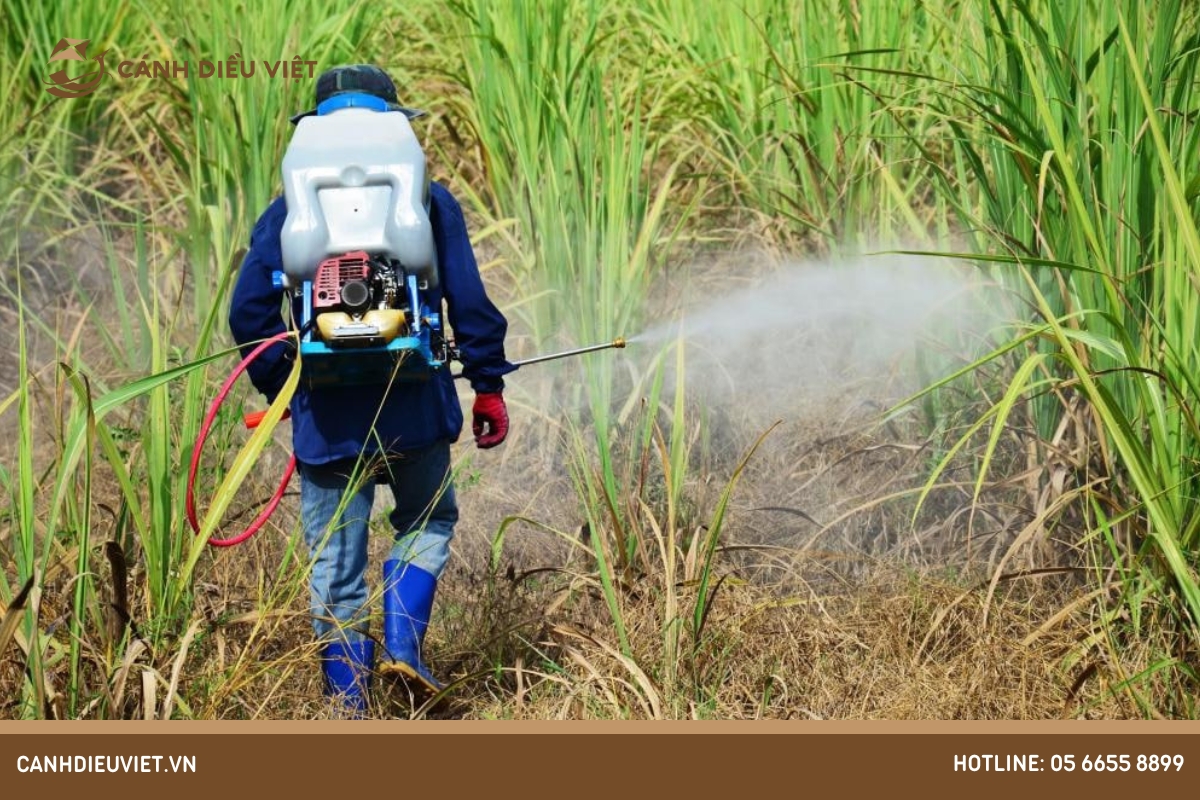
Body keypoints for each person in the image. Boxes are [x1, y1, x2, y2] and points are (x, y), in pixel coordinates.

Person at [229, 65, 514, 714]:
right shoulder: (428, 202)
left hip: (327, 428)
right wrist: (488, 387)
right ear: (394, 126)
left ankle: (348, 710)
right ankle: (405, 653)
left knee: (336, 566)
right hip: (416, 414)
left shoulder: (289, 211)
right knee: (428, 520)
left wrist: (287, 387)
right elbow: (470, 305)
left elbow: (248, 315)